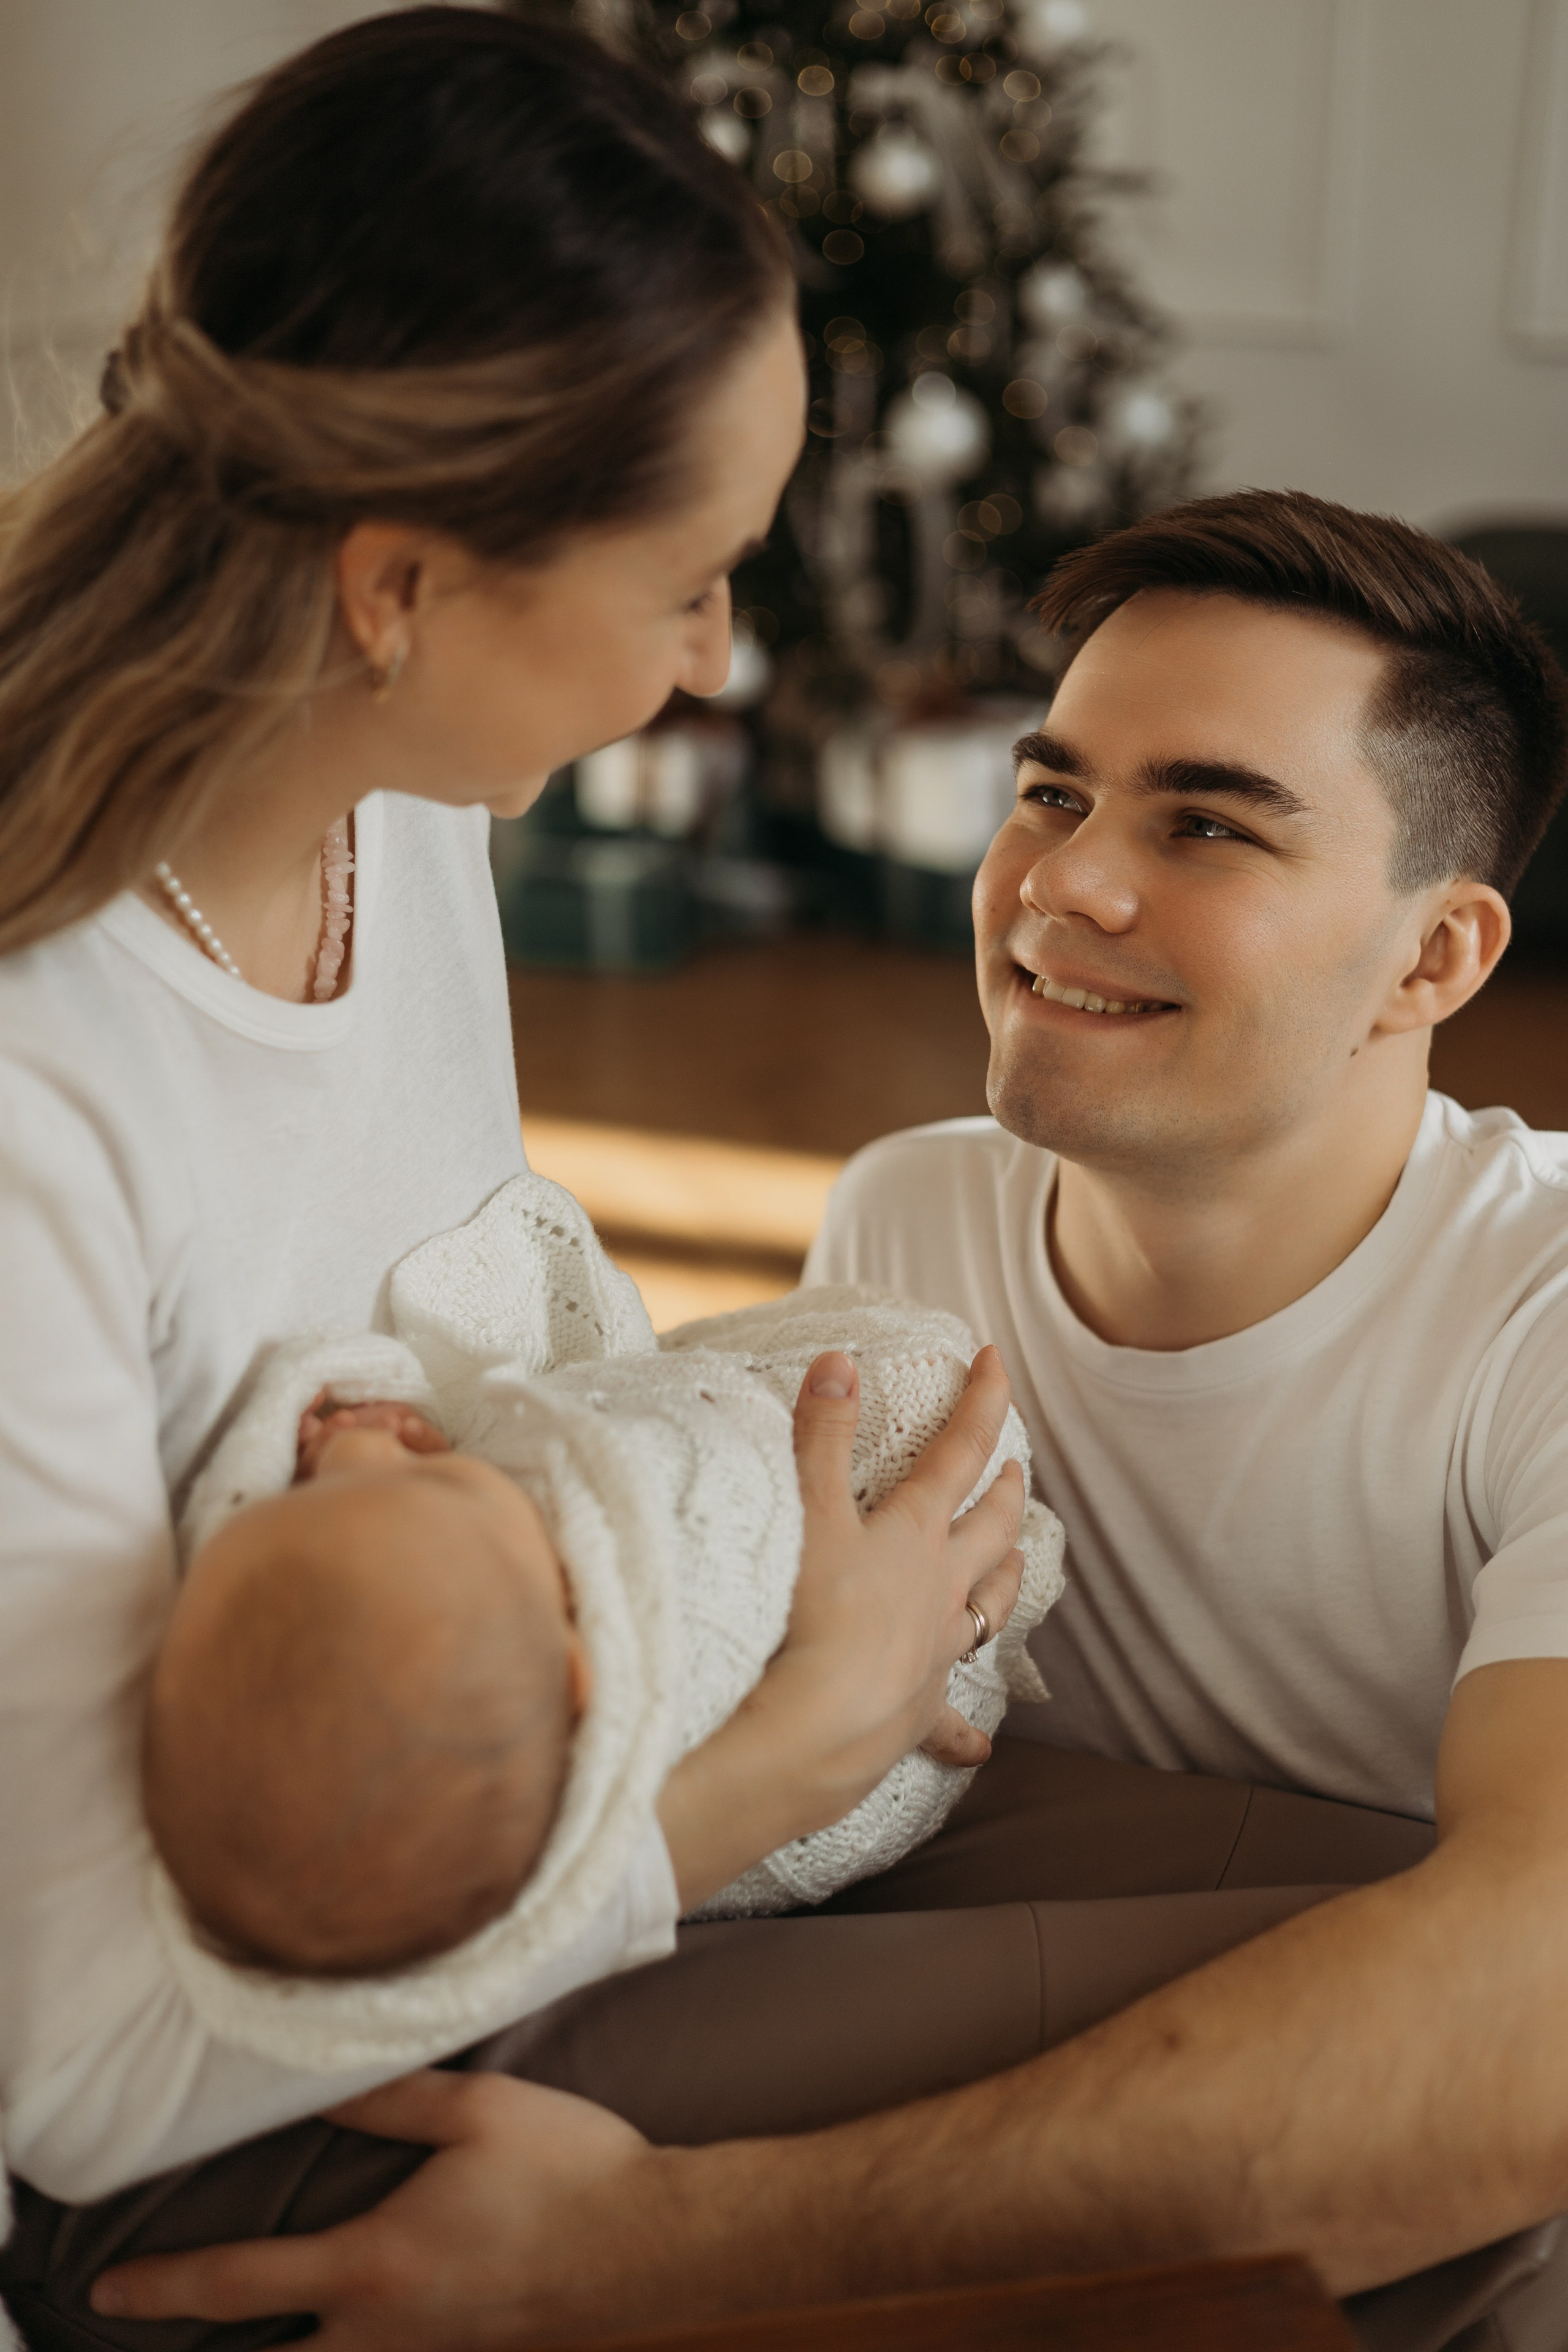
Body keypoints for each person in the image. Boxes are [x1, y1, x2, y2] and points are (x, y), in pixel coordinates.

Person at [81, 490, 1568, 2352]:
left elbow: (1531, 2019)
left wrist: (656, 2247)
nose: (1066, 884)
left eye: (1204, 824)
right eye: (1051, 791)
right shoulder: (913, 1227)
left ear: (1436, 963)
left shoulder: (1546, 1317)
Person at [0, 10, 1028, 2343]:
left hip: (510, 1869)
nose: (716, 657)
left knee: (1361, 1933)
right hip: (198, 2115)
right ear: (395, 588)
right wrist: (771, 1763)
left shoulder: (404, 805)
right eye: (688, 582)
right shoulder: (37, 1099)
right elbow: (69, 2072)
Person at [143, 1174, 1061, 1991]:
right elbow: (696, 1449)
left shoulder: (455, 1759)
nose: (410, 1442)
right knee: (923, 1387)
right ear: (583, 1670)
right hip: (889, 1725)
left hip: (903, 1654)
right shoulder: (633, 1631)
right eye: (457, 1477)